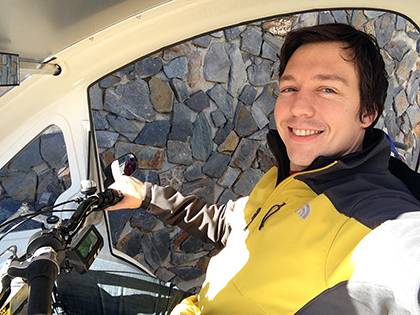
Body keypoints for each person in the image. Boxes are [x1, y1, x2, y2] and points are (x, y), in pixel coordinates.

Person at [107, 23, 420, 314]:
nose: (298, 107)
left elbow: (405, 259)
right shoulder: (285, 176)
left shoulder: (372, 214)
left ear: (368, 112)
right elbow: (232, 227)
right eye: (289, 88)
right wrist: (148, 196)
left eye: (327, 90)